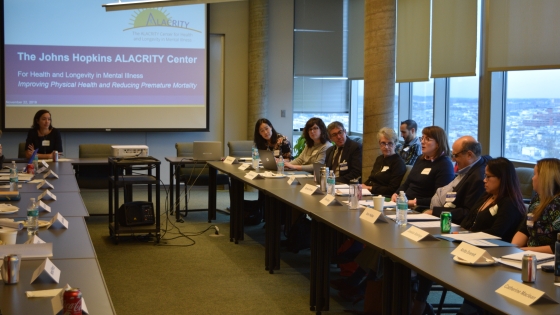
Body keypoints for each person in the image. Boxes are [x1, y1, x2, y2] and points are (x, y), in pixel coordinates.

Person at [412, 157, 526, 315]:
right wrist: (462, 234)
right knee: (429, 257)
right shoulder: (486, 196)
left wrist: (467, 236)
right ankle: (419, 301)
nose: (484, 180)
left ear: (502, 178)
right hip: (468, 245)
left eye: (488, 177)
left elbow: (496, 235)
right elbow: (467, 220)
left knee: (435, 260)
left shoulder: (510, 204)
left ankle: (422, 305)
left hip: (488, 257)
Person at [424, 136, 491, 224]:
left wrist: (436, 212)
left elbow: (468, 212)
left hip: (455, 223)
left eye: (456, 155)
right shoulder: (470, 169)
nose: (453, 159)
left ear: (469, 155)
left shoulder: (478, 178)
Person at [391, 126, 454, 210]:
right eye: (422, 138)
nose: (422, 142)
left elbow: (439, 199)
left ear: (438, 143)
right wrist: (396, 193)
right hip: (405, 204)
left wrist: (413, 202)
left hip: (421, 207)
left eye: (427, 139)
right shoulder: (420, 159)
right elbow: (407, 183)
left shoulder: (445, 165)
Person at [512, 158, 560, 254]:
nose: (532, 178)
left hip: (548, 260)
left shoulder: (557, 205)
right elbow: (525, 229)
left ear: (544, 178)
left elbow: (556, 247)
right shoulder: (537, 199)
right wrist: (511, 249)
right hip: (530, 254)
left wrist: (523, 250)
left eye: (535, 174)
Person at [362, 127, 406, 197]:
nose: (386, 147)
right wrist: (363, 186)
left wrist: (370, 188)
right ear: (379, 144)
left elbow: (392, 189)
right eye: (383, 143)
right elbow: (371, 178)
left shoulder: (398, 163)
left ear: (395, 144)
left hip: (383, 197)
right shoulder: (379, 159)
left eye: (390, 143)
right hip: (369, 193)